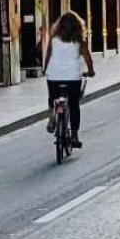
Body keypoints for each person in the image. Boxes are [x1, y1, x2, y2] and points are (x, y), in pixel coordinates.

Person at [44, 11, 96, 148]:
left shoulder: (53, 39)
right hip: (73, 77)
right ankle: (74, 136)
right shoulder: (79, 40)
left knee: (53, 97)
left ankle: (52, 116)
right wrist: (90, 71)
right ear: (77, 26)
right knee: (74, 105)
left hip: (53, 75)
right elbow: (88, 58)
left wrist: (45, 69)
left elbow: (48, 54)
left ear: (59, 26)